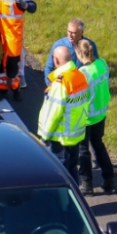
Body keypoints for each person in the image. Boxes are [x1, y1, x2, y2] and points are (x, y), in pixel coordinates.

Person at [38, 46, 89, 182]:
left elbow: (53, 113)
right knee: (72, 171)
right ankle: (75, 200)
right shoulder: (79, 76)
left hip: (60, 138)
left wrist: (44, 137)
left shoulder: (61, 83)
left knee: (58, 177)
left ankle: (62, 203)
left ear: (56, 60)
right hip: (75, 134)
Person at [75, 39, 115, 195]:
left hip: (86, 118)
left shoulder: (81, 74)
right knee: (98, 144)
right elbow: (109, 84)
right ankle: (109, 180)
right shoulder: (102, 63)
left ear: (79, 54)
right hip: (101, 114)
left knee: (83, 150)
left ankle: (87, 184)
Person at [45, 18, 99, 86]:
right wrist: (50, 85)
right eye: (68, 31)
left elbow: (96, 65)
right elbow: (49, 67)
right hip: (64, 84)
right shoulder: (59, 45)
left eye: (73, 33)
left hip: (82, 86)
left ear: (81, 32)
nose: (69, 35)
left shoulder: (90, 45)